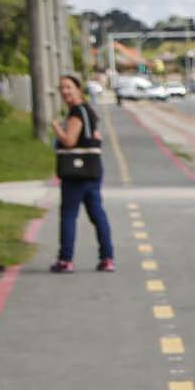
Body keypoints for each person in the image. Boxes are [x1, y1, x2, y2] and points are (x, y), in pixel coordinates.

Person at [48, 76, 112, 273]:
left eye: (69, 87)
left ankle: (65, 259)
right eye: (62, 88)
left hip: (75, 173)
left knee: (69, 215)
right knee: (97, 214)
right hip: (92, 170)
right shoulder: (88, 111)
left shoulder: (77, 113)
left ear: (78, 89)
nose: (65, 92)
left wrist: (57, 129)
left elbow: (69, 141)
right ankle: (107, 257)